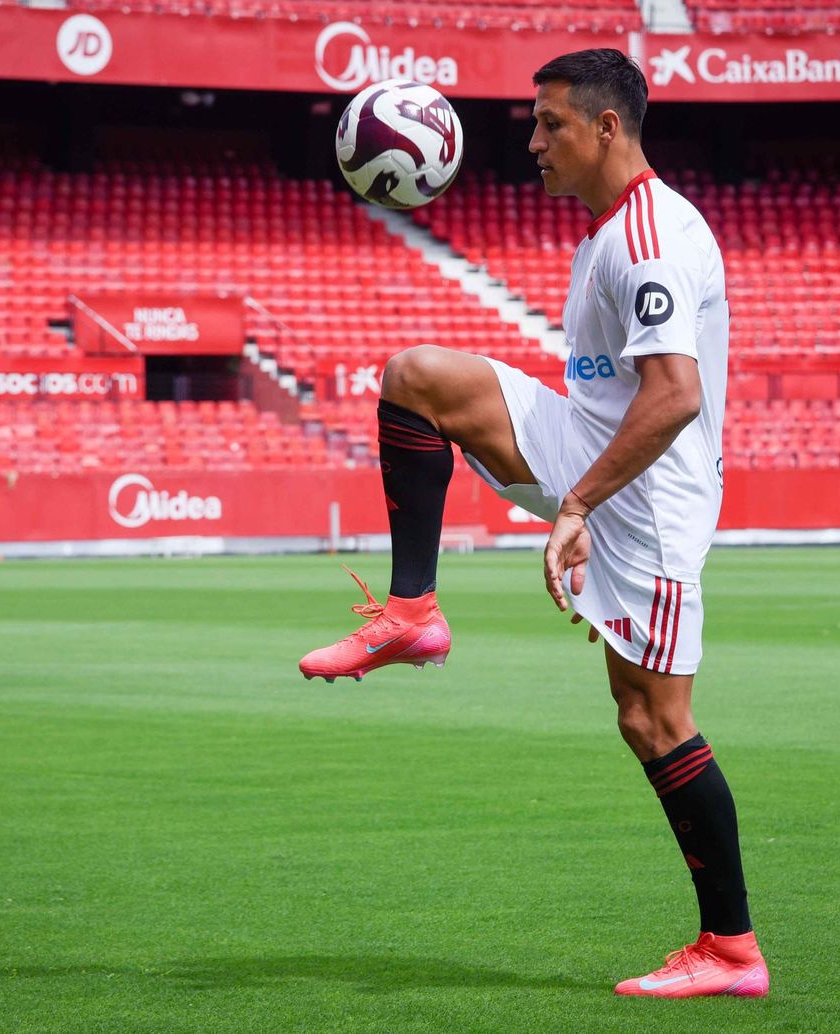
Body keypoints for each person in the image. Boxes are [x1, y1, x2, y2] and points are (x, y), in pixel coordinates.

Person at [299, 48, 768, 999]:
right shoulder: (606, 232)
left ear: (606, 128)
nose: (531, 140)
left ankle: (731, 951)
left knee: (651, 719)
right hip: (586, 437)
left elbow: (675, 396)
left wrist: (581, 505)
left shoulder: (648, 239)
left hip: (651, 501)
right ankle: (413, 610)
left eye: (550, 123)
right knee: (416, 378)